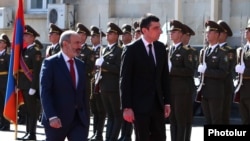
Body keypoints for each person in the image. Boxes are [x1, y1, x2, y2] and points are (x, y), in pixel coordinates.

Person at [120, 13, 171, 141]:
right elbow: (125, 80)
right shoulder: (131, 49)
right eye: (155, 28)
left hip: (157, 105)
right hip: (139, 106)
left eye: (159, 28)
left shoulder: (160, 48)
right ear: (144, 30)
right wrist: (127, 107)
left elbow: (164, 77)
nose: (160, 31)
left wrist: (167, 102)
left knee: (160, 137)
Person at [40, 30, 90, 141]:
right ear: (65, 44)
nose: (80, 46)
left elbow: (84, 93)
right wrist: (52, 116)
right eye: (76, 43)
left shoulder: (80, 65)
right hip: (57, 120)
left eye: (80, 43)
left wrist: (86, 118)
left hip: (78, 120)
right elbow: (45, 92)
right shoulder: (50, 63)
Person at [95, 22, 123, 141]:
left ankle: (113, 138)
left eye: (110, 33)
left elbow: (119, 69)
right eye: (107, 33)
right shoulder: (105, 49)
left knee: (116, 115)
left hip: (114, 87)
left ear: (116, 36)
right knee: (109, 115)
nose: (107, 35)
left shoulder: (119, 50)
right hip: (104, 87)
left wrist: (104, 64)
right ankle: (108, 137)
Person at [197, 20, 229, 124]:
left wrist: (206, 71)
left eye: (209, 32)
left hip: (215, 92)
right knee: (208, 121)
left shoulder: (222, 53)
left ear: (217, 34)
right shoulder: (204, 51)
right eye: (206, 32)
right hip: (204, 92)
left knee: (216, 121)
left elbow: (223, 73)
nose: (207, 34)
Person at [168, 20, 195, 141]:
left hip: (182, 91)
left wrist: (172, 69)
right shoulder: (169, 50)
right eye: (171, 31)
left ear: (180, 34)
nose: (171, 33)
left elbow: (189, 71)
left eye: (174, 31)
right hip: (171, 90)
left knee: (181, 119)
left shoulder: (186, 51)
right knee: (172, 120)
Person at [17, 25, 42, 140]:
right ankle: (28, 132)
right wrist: (18, 85)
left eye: (27, 35)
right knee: (27, 110)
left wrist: (34, 87)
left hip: (30, 85)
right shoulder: (25, 50)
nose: (24, 37)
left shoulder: (36, 52)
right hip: (24, 85)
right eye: (24, 35)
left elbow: (37, 72)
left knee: (32, 111)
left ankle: (32, 134)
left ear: (32, 37)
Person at [88, 25, 106, 141]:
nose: (92, 38)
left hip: (98, 82)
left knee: (100, 110)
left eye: (94, 36)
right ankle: (95, 133)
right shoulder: (91, 50)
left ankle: (99, 133)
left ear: (100, 38)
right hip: (91, 82)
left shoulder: (101, 50)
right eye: (91, 36)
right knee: (94, 110)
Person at [217, 20, 236, 124]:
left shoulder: (229, 51)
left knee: (223, 116)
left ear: (224, 34)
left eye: (218, 32)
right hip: (213, 89)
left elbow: (227, 69)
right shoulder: (212, 49)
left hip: (225, 87)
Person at [118, 24, 134, 141]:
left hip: (129, 84)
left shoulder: (132, 49)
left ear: (131, 36)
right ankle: (123, 134)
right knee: (121, 112)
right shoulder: (120, 48)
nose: (124, 36)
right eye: (122, 34)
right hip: (120, 85)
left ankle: (127, 135)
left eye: (126, 34)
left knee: (128, 110)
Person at [234, 20, 250, 124]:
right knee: (244, 120)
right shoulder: (242, 49)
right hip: (243, 89)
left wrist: (245, 71)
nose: (246, 31)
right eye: (247, 29)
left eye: (249, 30)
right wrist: (236, 79)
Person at [75, 23, 95, 100]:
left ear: (84, 36)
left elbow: (89, 68)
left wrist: (75, 66)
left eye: (80, 34)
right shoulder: (72, 49)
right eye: (77, 33)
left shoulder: (89, 51)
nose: (77, 35)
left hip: (83, 82)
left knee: (84, 107)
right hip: (73, 82)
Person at [0, 33, 11, 131]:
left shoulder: (8, 56)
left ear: (5, 44)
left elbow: (9, 71)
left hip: (4, 82)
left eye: (1, 42)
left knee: (4, 104)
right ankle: (1, 122)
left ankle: (6, 124)